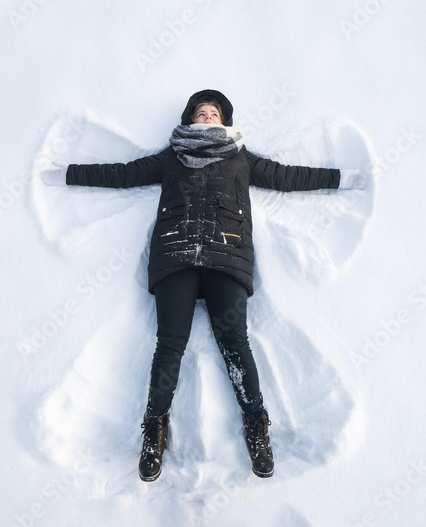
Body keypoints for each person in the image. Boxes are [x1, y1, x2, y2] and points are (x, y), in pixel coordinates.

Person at [43, 90, 366, 481]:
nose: (208, 116)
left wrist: (342, 179)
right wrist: (67, 173)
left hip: (227, 258)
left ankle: (256, 424)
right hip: (176, 256)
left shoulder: (239, 158)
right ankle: (155, 428)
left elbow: (288, 177)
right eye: (201, 112)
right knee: (169, 344)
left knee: (235, 341)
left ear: (223, 121)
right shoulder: (171, 157)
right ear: (190, 119)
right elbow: (123, 174)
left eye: (214, 113)